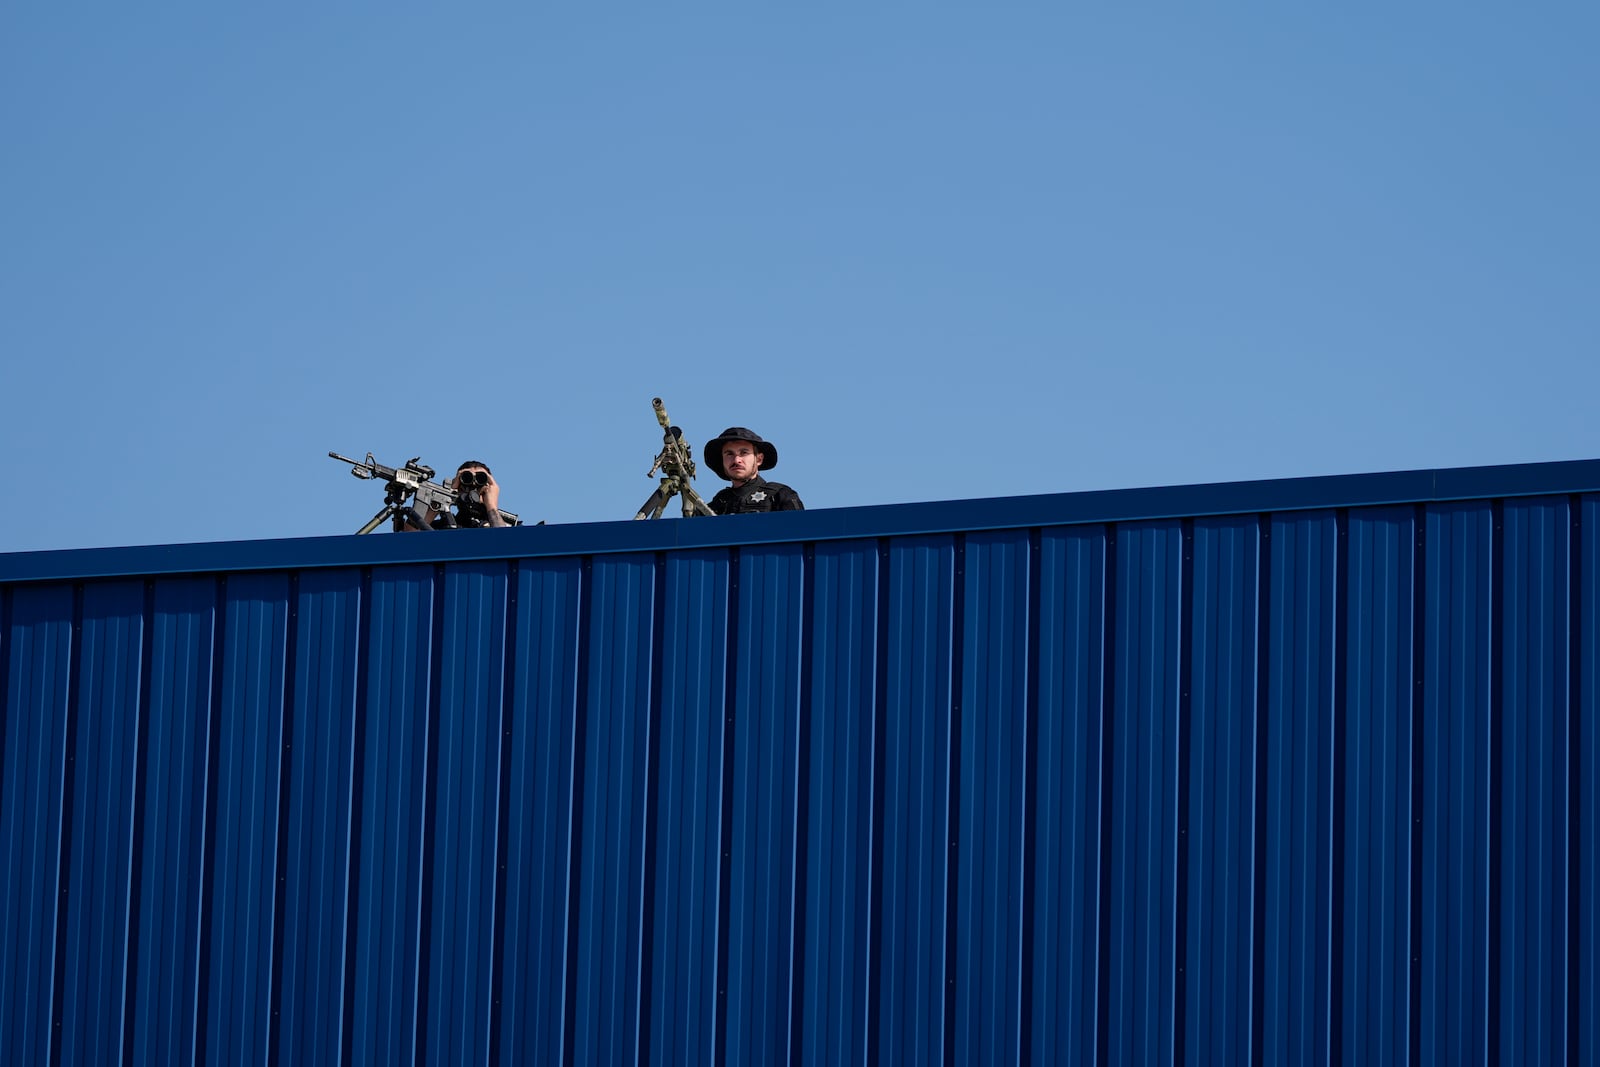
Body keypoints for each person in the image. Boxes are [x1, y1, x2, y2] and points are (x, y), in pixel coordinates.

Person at [702, 427, 804, 514]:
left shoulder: (779, 495)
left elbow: (800, 530)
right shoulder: (715, 506)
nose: (737, 460)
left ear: (759, 459)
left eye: (744, 453)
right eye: (729, 454)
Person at [408, 459, 509, 530]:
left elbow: (504, 542)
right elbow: (409, 538)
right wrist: (444, 496)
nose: (473, 487)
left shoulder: (510, 527)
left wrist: (492, 506)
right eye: (466, 479)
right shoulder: (441, 527)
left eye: (480, 480)